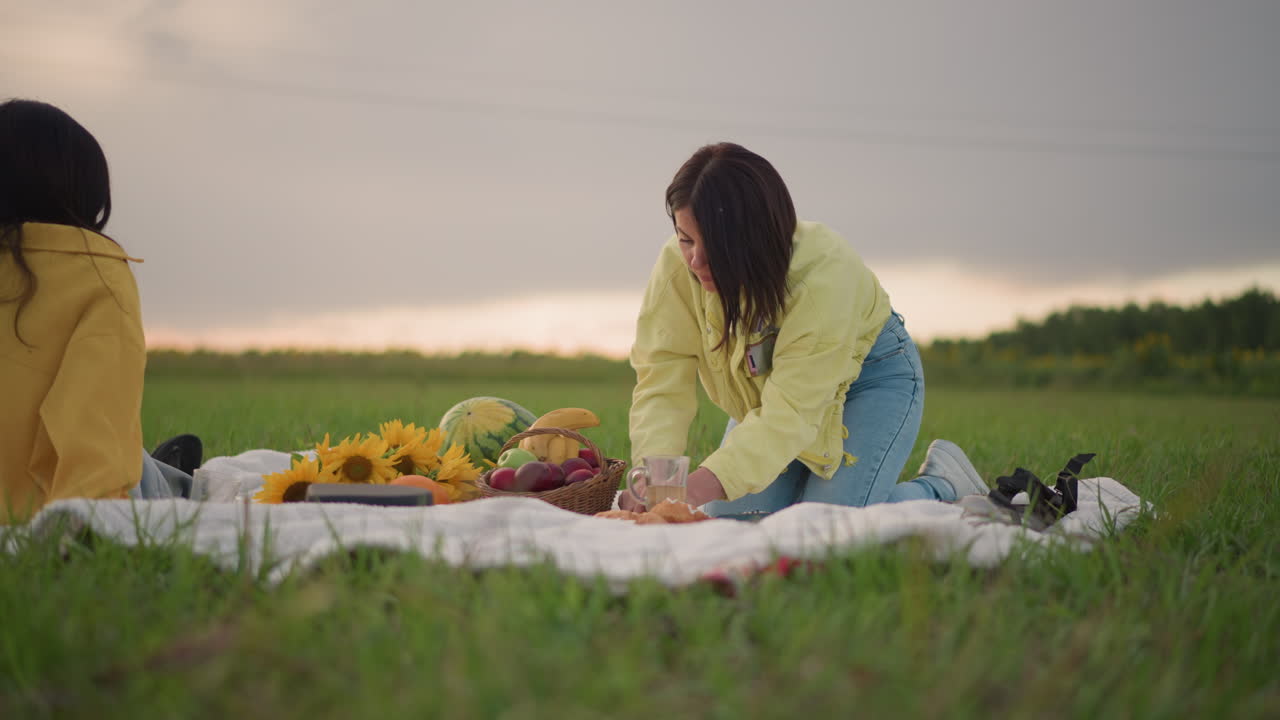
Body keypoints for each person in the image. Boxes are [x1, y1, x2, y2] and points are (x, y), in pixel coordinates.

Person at [625, 142, 989, 518]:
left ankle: (943, 487)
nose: (695, 259)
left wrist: (694, 487)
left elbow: (792, 413)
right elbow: (662, 383)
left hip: (870, 379)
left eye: (715, 245)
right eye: (685, 239)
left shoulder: (823, 278)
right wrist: (658, 480)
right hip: (773, 393)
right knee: (731, 522)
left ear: (754, 238)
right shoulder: (676, 269)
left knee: (827, 527)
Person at [0, 98, 199, 523]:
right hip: (44, 513)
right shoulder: (96, 277)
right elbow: (93, 433)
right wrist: (82, 531)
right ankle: (177, 482)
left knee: (139, 459)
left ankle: (163, 469)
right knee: (143, 470)